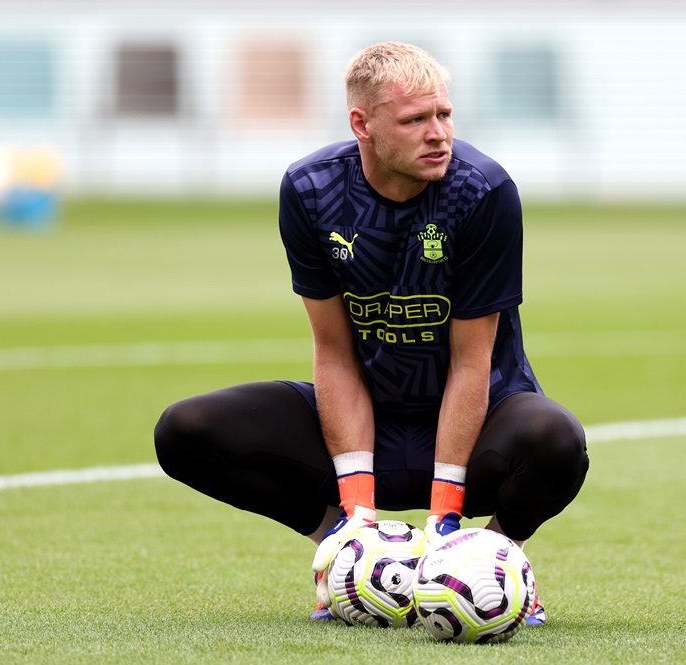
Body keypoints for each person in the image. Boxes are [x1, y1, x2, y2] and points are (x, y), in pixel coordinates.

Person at [154, 40, 589, 625]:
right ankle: (350, 558)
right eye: (415, 120)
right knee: (186, 430)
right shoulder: (311, 192)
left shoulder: (482, 191)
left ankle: (489, 565)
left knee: (557, 440)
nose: (438, 134)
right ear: (363, 124)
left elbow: (470, 363)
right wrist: (356, 520)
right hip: (367, 425)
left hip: (477, 423)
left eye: (444, 114)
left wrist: (443, 522)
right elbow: (333, 356)